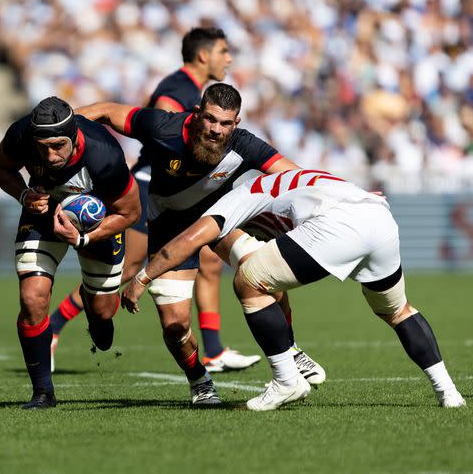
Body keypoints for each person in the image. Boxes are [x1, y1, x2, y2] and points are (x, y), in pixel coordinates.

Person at [122, 168, 467, 410]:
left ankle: (286, 379)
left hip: (338, 226)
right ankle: (448, 392)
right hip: (379, 219)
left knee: (249, 280)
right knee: (397, 311)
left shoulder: (239, 196)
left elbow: (193, 239)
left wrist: (142, 278)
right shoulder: (287, 180)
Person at [71, 83, 324, 405]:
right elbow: (106, 111)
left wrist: (342, 195)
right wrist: (65, 126)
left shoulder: (245, 145)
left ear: (237, 123)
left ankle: (290, 350)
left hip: (216, 222)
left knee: (265, 271)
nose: (216, 130)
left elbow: (295, 176)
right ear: (197, 114)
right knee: (176, 326)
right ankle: (200, 382)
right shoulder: (164, 127)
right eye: (210, 119)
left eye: (225, 123)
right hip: (167, 227)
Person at [50, 27, 261, 374]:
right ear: (203, 55)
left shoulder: (194, 90)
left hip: (184, 190)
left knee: (208, 262)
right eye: (224, 51)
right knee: (131, 267)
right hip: (154, 185)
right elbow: (165, 135)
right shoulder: (178, 89)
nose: (229, 58)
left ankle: (213, 349)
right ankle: (54, 327)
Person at [0, 96, 141, 409]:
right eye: (42, 146)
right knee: (32, 298)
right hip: (41, 213)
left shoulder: (105, 155)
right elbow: (0, 167)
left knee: (103, 313)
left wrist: (84, 239)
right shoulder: (21, 134)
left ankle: (95, 309)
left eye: (57, 145)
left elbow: (130, 213)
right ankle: (43, 392)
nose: (49, 154)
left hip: (98, 226)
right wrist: (23, 194)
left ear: (73, 137)